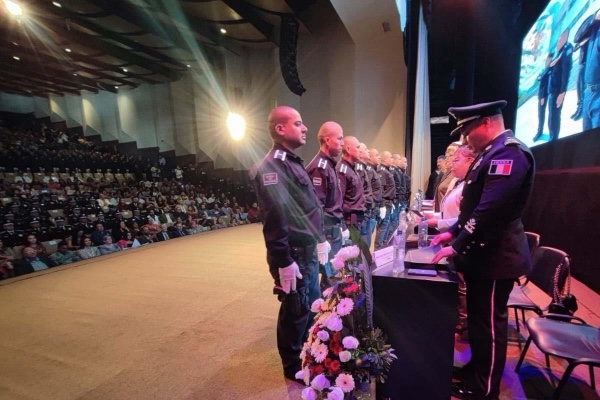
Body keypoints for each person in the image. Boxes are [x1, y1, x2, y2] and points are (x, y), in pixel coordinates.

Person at [431, 100, 535, 400]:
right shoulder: (491, 153)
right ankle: (475, 371)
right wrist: (452, 231)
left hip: (495, 258)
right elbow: (472, 208)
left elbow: (489, 210)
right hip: (482, 257)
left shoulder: (509, 153)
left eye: (468, 130)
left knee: (489, 325)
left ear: (487, 123)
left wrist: (457, 244)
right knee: (478, 321)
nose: (465, 138)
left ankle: (484, 388)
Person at [251, 106, 329, 383]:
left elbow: (308, 209)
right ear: (280, 129)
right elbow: (275, 218)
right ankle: (292, 364)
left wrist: (319, 239)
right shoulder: (273, 166)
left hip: (306, 250)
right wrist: (283, 261)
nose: (305, 128)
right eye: (298, 123)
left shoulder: (292, 162)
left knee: (309, 307)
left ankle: (306, 353)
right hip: (293, 254)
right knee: (295, 310)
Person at [305, 121, 344, 289]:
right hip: (326, 232)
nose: (342, 143)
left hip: (333, 229)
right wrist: (320, 239)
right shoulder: (319, 167)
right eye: (339, 138)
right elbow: (316, 208)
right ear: (327, 140)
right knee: (331, 281)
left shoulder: (328, 164)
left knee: (334, 277)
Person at [571, 9, 600, 130]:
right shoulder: (594, 26)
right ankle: (580, 107)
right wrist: (594, 17)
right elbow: (576, 38)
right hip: (588, 91)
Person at [547, 29, 573, 141]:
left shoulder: (566, 51)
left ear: (566, 38)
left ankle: (554, 139)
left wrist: (562, 93)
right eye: (558, 40)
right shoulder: (558, 52)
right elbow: (549, 68)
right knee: (551, 115)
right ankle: (551, 136)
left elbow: (565, 74)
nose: (558, 42)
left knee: (555, 116)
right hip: (551, 90)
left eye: (561, 39)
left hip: (558, 91)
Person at [533, 53, 553, 142]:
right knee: (540, 114)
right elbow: (539, 78)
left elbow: (545, 84)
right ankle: (540, 131)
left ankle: (540, 132)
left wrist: (542, 97)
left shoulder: (549, 70)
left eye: (549, 59)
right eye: (547, 59)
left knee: (542, 114)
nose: (547, 61)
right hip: (541, 95)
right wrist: (539, 77)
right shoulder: (544, 68)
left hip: (543, 95)